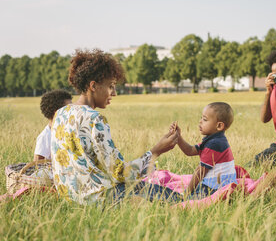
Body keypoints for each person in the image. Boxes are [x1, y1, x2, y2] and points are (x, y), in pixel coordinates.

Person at [50, 49, 180, 205]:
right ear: (93, 86)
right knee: (168, 196)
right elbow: (119, 173)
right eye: (111, 86)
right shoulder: (94, 119)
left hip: (69, 198)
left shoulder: (60, 113)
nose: (114, 93)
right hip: (98, 199)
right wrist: (156, 151)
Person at [171, 102, 237, 198]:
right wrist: (178, 137)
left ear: (219, 126)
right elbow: (190, 151)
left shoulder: (215, 144)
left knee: (184, 201)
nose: (200, 121)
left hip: (215, 188)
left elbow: (200, 172)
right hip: (217, 185)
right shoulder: (213, 140)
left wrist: (186, 193)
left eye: (205, 119)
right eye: (201, 118)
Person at [34, 90, 72, 161]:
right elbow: (36, 164)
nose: (73, 112)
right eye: (68, 109)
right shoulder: (45, 136)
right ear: (57, 112)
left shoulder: (68, 131)